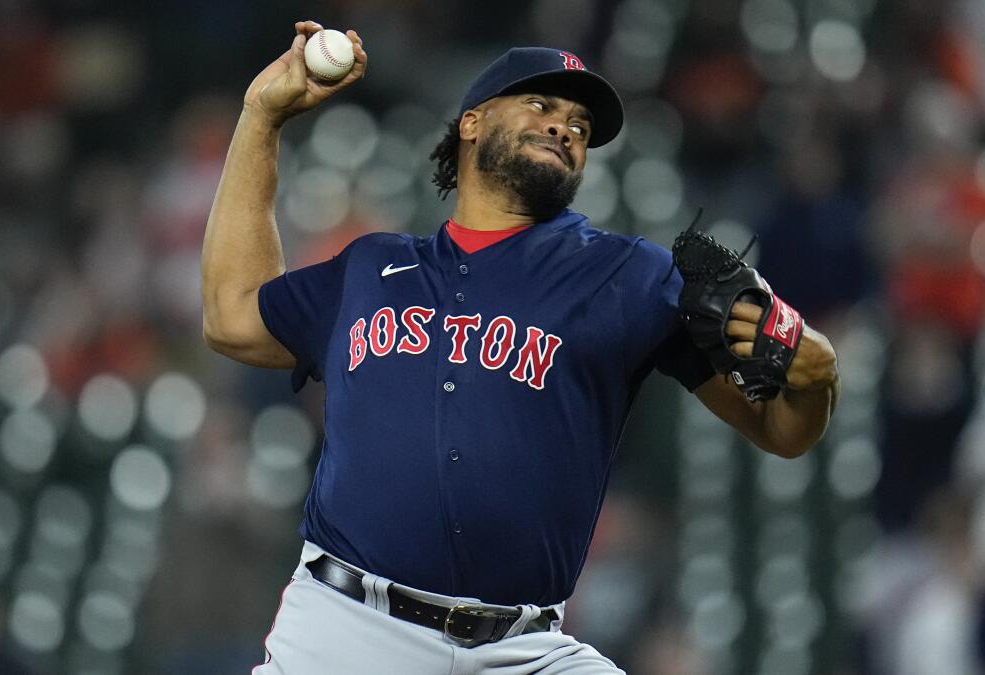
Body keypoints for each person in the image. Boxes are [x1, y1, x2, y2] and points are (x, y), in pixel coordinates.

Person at [201, 20, 839, 674]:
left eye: (580, 127)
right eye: (540, 104)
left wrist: (812, 378)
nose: (565, 126)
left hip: (521, 648)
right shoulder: (370, 270)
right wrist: (262, 117)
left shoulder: (627, 277)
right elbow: (231, 316)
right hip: (347, 632)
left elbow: (779, 430)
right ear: (472, 122)